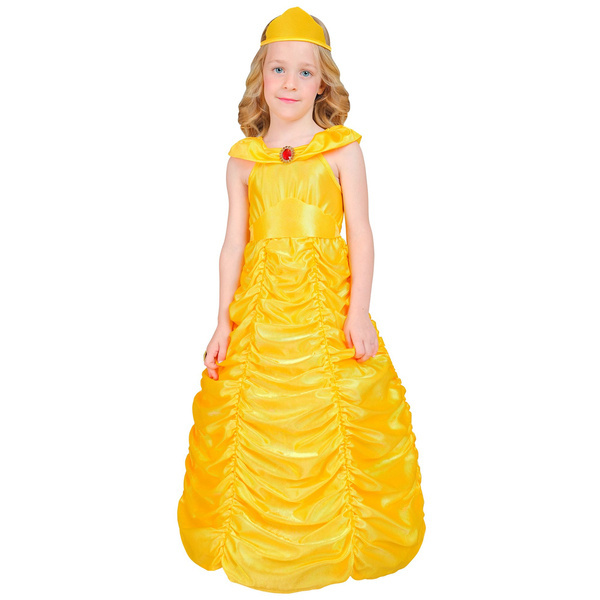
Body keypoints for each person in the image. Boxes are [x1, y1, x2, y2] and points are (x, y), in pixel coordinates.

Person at [177, 6, 426, 593]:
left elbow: (360, 232)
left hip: (324, 300)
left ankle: (342, 533)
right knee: (256, 413)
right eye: (278, 69)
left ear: (323, 84)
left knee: (336, 404)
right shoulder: (244, 160)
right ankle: (256, 537)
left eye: (305, 72)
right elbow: (233, 243)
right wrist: (221, 323)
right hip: (262, 307)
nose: (290, 82)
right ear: (260, 78)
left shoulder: (341, 150)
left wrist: (358, 312)